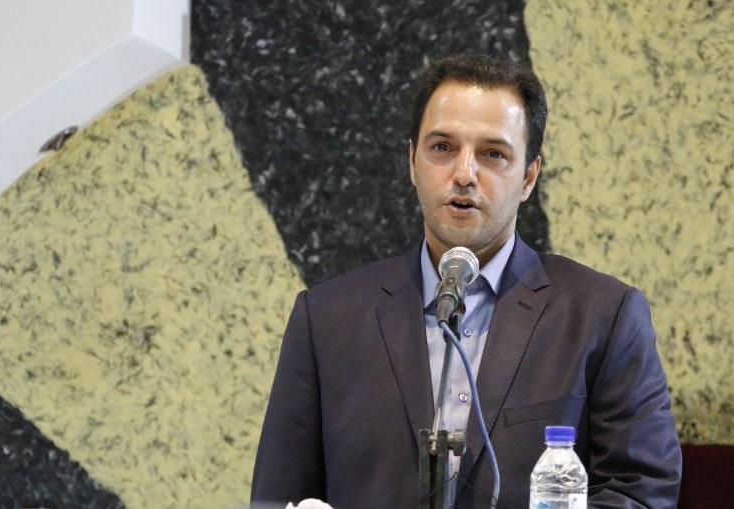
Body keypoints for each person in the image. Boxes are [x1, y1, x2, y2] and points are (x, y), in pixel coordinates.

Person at [251, 53, 682, 509]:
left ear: (528, 178)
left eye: (493, 154)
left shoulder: (602, 315)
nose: (463, 174)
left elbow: (641, 493)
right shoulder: (326, 319)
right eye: (442, 148)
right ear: (412, 162)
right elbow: (278, 497)